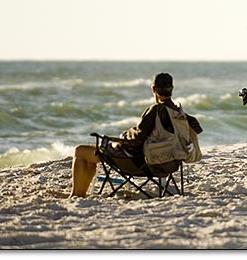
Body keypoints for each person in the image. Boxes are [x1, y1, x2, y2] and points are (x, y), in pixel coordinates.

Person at [69, 72, 202, 197]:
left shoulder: (155, 110)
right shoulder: (180, 114)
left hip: (144, 164)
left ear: (153, 89)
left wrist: (124, 136)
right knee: (92, 155)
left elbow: (136, 139)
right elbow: (195, 130)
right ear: (172, 88)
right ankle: (81, 192)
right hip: (171, 163)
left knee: (80, 151)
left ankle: (76, 194)